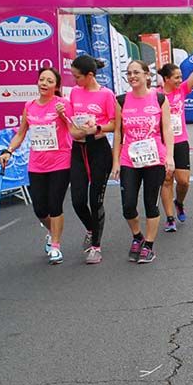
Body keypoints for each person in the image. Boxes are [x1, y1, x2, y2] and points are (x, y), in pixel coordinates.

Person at [0, 68, 73, 264]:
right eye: (42, 79)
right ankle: (52, 231)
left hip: (60, 161)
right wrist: (9, 151)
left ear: (56, 86)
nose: (44, 83)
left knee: (55, 204)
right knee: (40, 209)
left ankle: (56, 245)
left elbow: (74, 130)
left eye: (49, 81)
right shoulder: (29, 106)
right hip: (37, 164)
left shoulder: (62, 104)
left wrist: (64, 115)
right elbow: (21, 134)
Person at [110, 60, 175, 264]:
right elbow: (118, 133)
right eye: (129, 73)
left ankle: (149, 244)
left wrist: (170, 157)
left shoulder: (159, 98)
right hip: (129, 159)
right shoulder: (121, 100)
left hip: (154, 158)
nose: (132, 76)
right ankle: (137, 236)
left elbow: (167, 129)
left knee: (150, 204)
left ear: (147, 75)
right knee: (128, 205)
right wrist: (116, 162)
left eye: (136, 72)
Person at [68, 55, 117, 264]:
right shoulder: (74, 93)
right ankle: (90, 228)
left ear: (89, 75)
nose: (74, 81)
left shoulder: (106, 94)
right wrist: (76, 132)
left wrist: (96, 128)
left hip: (99, 149)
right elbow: (70, 125)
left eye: (77, 77)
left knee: (95, 199)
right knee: (77, 200)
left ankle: (96, 246)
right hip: (79, 150)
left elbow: (115, 124)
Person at [159, 50, 193, 233]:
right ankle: (170, 218)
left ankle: (179, 202)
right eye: (176, 77)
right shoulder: (156, 95)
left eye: (180, 77)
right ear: (166, 79)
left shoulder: (182, 90)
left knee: (183, 181)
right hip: (162, 143)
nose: (180, 80)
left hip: (180, 141)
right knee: (167, 179)